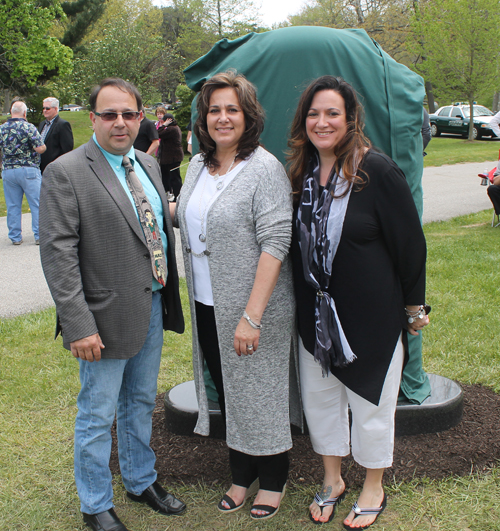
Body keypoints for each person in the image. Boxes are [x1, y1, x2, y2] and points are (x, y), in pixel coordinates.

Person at [39, 78, 185, 531]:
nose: (119, 123)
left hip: (151, 306)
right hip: (100, 319)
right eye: (109, 114)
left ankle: (141, 481)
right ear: (94, 118)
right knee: (98, 415)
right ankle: (96, 504)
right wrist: (78, 323)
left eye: (128, 114)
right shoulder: (66, 171)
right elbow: (58, 255)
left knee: (140, 402)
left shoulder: (147, 162)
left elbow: (154, 227)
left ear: (141, 117)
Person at [288, 76, 429, 529]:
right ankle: (332, 480)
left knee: (372, 407)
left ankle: (373, 484)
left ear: (350, 119)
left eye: (332, 113)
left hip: (371, 319)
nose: (322, 122)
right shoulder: (301, 173)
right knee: (321, 401)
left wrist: (414, 309)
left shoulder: (378, 171)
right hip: (315, 318)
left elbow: (410, 246)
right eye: (314, 113)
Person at [174, 70, 300, 520]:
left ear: (248, 116)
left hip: (254, 305)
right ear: (203, 118)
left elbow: (276, 242)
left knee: (260, 393)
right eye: (214, 110)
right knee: (230, 392)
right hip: (208, 303)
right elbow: (189, 217)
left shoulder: (263, 168)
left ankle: (273, 481)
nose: (222, 118)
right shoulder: (197, 166)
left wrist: (252, 316)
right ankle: (240, 474)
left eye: (232, 109)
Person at [0, 101, 46, 245]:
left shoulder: (2, 129)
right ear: (24, 113)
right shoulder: (28, 127)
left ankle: (15, 237)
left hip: (8, 170)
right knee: (36, 203)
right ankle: (39, 235)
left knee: (12, 205)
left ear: (11, 111)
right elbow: (40, 148)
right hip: (28, 169)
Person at [38, 97, 74, 172]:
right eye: (43, 108)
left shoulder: (62, 125)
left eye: (47, 108)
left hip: (54, 167)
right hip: (39, 167)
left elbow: (67, 148)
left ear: (55, 109)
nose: (44, 110)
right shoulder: (42, 124)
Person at [157, 113, 184, 200]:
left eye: (164, 121)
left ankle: (177, 195)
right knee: (169, 176)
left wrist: (163, 126)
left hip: (173, 158)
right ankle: (172, 194)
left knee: (174, 177)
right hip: (170, 157)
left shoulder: (172, 129)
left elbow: (157, 134)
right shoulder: (173, 128)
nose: (163, 122)